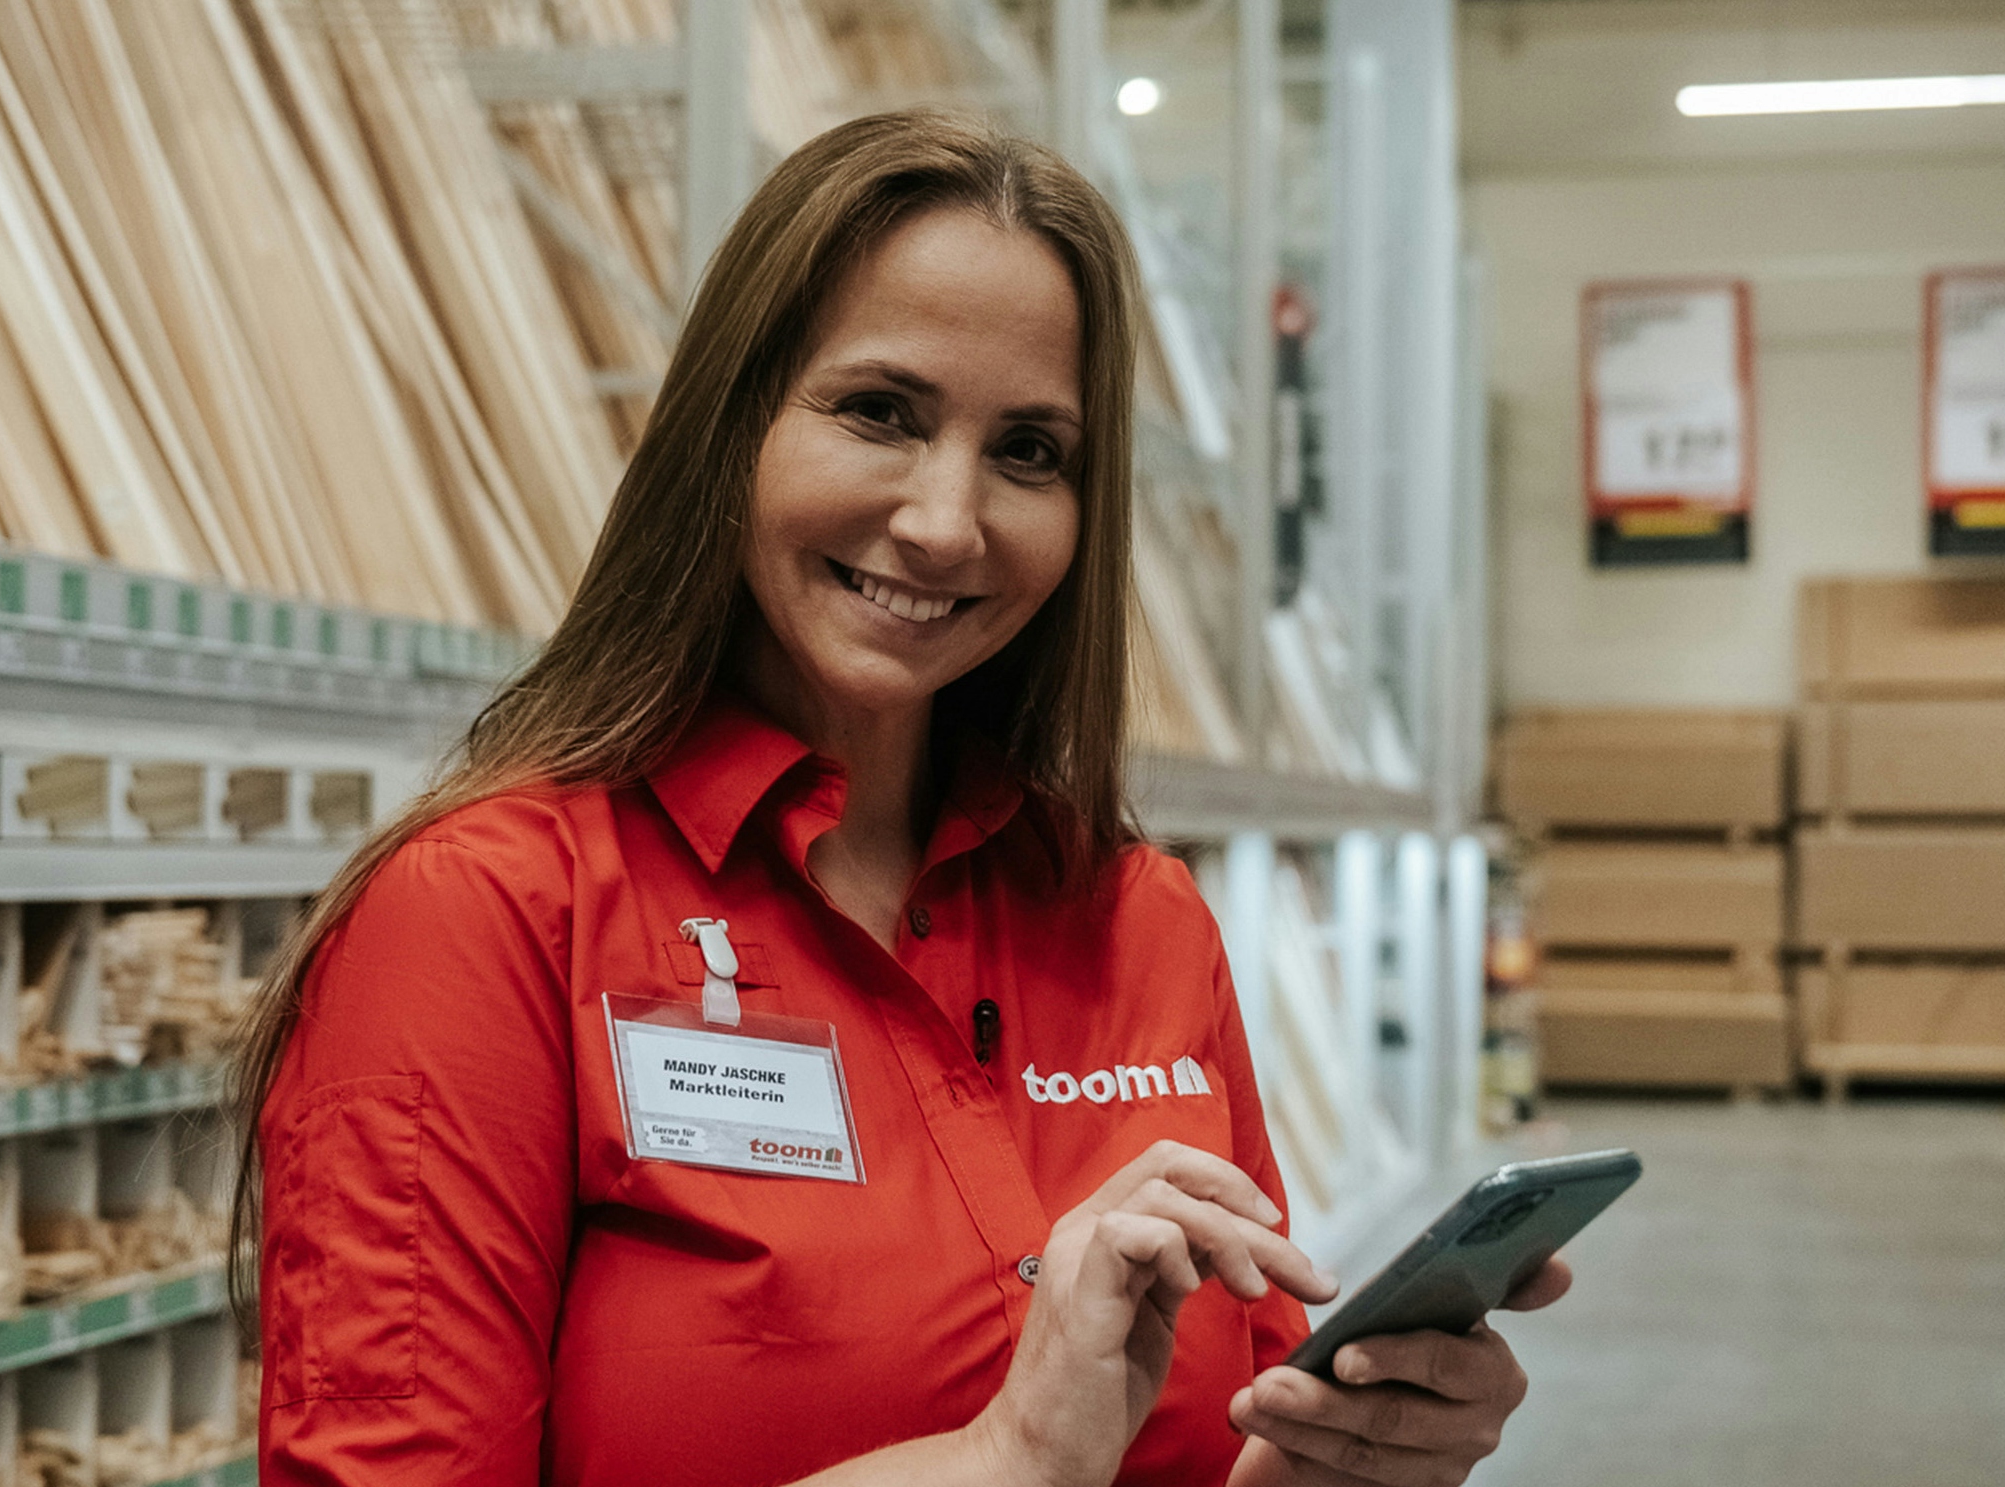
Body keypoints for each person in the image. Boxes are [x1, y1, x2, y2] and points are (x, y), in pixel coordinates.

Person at [230, 108, 1568, 1487]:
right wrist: (1002, 1462)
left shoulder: (1136, 919)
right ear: (729, 423)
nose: (944, 522)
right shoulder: (486, 914)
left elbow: (1213, 1423)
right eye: (880, 413)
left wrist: (1337, 1462)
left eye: (1028, 452)